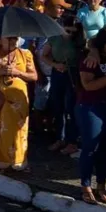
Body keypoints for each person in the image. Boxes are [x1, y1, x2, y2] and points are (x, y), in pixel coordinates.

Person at [76, 27, 106, 204]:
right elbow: (88, 85)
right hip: (90, 106)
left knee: (105, 148)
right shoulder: (90, 58)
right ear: (102, 44)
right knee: (90, 146)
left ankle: (101, 185)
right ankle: (85, 185)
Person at [0, 36, 38, 171]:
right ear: (1, 39)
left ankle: (18, 162)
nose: (13, 40)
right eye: (9, 38)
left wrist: (18, 72)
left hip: (18, 98)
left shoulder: (25, 54)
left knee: (17, 131)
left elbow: (34, 76)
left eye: (15, 38)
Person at [41, 15, 83, 155]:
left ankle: (72, 141)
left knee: (70, 107)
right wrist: (55, 64)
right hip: (58, 72)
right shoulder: (54, 38)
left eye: (73, 32)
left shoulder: (79, 40)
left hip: (73, 73)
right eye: (67, 31)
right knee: (57, 106)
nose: (70, 34)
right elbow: (44, 55)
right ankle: (59, 138)